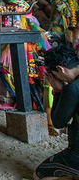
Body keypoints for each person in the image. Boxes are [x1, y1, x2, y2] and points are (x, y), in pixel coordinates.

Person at [36, 44, 79, 179]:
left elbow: (58, 122)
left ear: (61, 69)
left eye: (54, 75)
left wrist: (57, 90)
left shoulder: (72, 88)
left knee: (39, 175)